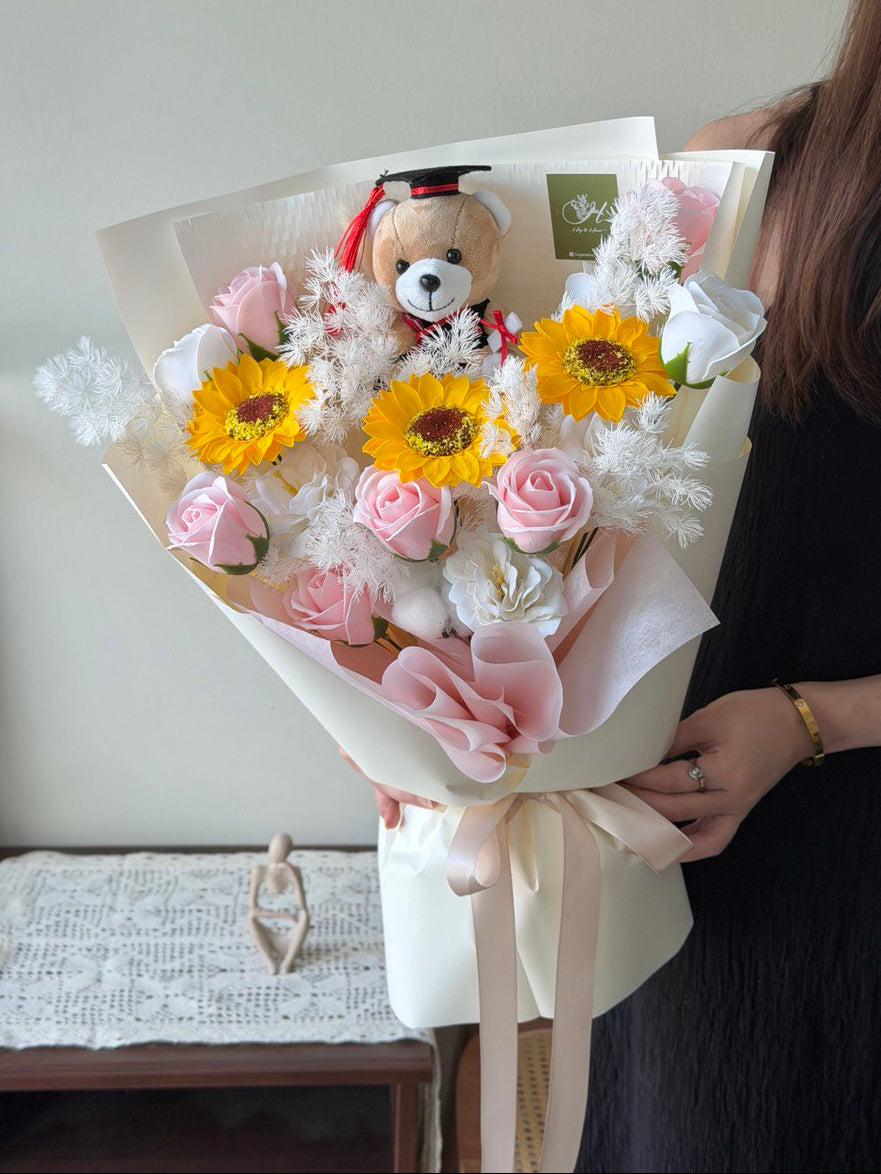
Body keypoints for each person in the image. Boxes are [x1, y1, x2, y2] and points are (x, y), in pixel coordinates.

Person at [575, 1, 881, 1169]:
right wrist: (445, 712)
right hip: (698, 855)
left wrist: (808, 721)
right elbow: (585, 483)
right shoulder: (737, 167)